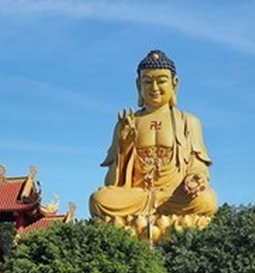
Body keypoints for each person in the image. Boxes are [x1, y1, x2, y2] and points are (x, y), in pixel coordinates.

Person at [89, 49, 217, 240]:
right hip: (138, 196)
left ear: (174, 83)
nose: (154, 87)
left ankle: (140, 224)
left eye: (161, 81)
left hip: (173, 196)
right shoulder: (128, 123)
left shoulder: (189, 122)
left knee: (207, 199)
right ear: (138, 85)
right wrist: (124, 145)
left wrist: (196, 178)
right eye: (148, 81)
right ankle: (166, 224)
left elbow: (199, 165)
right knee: (99, 200)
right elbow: (112, 183)